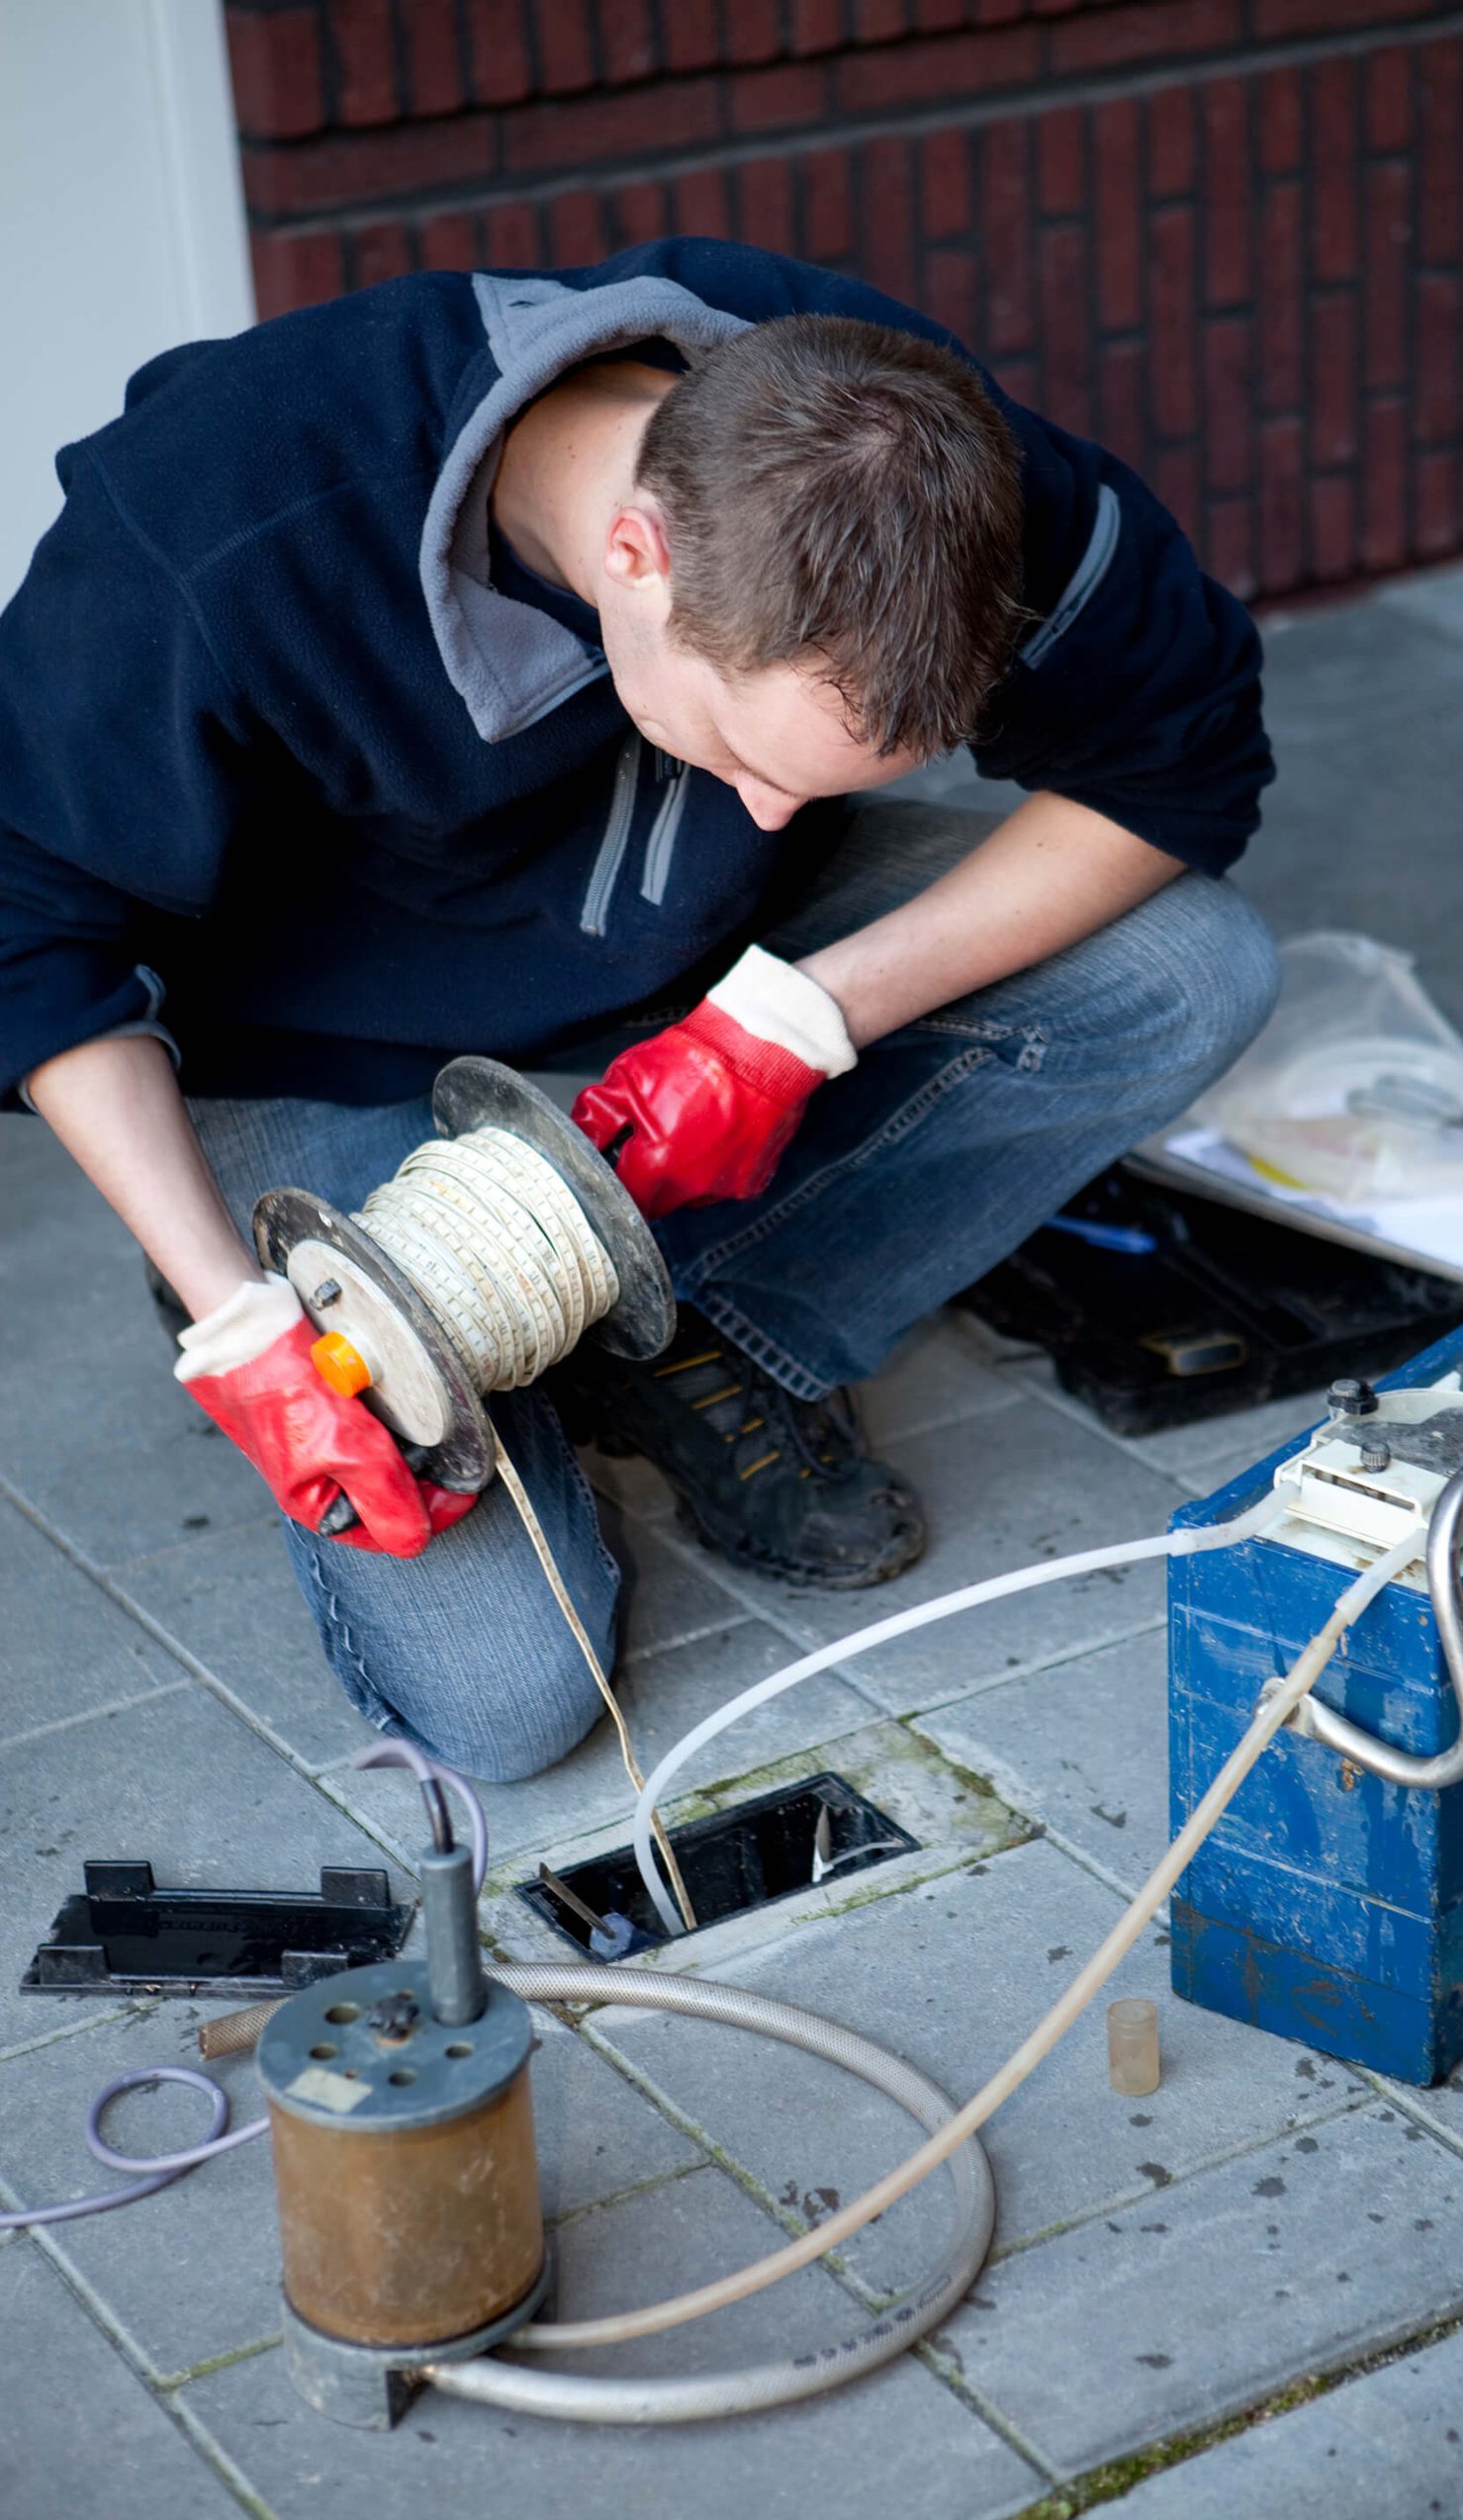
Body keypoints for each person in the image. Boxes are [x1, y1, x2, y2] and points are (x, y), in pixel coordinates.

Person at [0, 238, 1278, 1781]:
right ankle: (291, 1263)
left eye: (812, 786)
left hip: (690, 965)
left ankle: (701, 1320)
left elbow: (1185, 755)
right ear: (634, 554)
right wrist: (240, 1316)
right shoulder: (221, 511)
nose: (756, 804)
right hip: (309, 1042)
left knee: (1191, 967)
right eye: (745, 750)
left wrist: (800, 1016)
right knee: (507, 1705)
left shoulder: (903, 445)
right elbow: (29, 927)